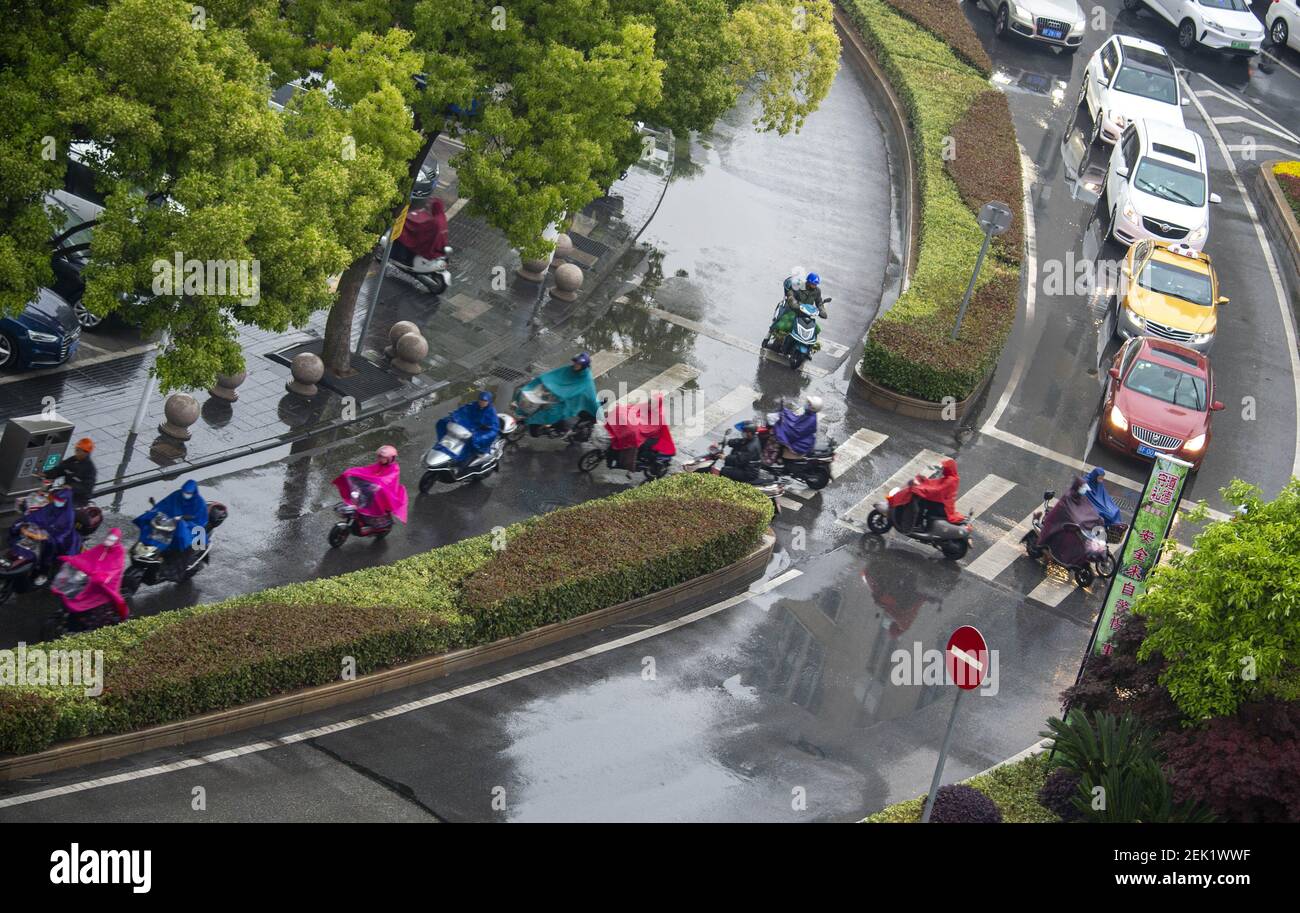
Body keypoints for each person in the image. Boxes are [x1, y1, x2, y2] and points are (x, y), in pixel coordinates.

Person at [53, 527, 128, 629]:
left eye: (113, 539)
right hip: (93, 581)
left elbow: (114, 568)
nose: (110, 540)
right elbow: (87, 558)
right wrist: (71, 560)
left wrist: (103, 576)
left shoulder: (119, 552)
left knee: (96, 611)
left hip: (105, 586)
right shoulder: (101, 547)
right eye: (109, 537)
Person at [516, 352, 603, 437]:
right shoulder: (569, 369)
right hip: (554, 397)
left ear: (583, 367)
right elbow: (553, 376)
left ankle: (546, 428)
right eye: (575, 362)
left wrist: (599, 414)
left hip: (567, 404)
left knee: (549, 413)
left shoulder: (586, 381)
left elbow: (591, 397)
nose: (575, 365)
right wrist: (542, 381)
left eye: (578, 364)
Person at [11, 487, 81, 580]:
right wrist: (25, 521)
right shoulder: (51, 507)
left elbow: (65, 531)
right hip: (40, 533)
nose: (57, 502)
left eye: (60, 500)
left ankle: (43, 571)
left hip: (55, 537)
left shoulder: (68, 515)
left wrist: (51, 536)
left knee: (48, 552)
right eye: (56, 499)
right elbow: (38, 515)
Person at [333, 445, 409, 523]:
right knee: (356, 482)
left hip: (386, 490)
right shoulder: (379, 464)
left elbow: (388, 480)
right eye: (379, 456)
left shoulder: (394, 468)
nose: (379, 459)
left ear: (389, 458)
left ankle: (369, 510)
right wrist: (353, 472)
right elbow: (368, 470)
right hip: (375, 485)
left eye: (382, 457)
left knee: (372, 491)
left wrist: (376, 483)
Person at [888, 458, 966, 532]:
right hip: (943, 504)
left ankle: (917, 523)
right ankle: (918, 523)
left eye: (945, 468)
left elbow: (937, 489)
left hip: (943, 507)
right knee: (923, 501)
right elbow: (934, 483)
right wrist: (923, 481)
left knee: (921, 504)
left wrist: (919, 489)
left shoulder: (950, 480)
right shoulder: (952, 478)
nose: (943, 470)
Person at [135, 479, 209, 552]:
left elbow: (200, 519)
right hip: (171, 520)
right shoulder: (177, 495)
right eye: (184, 492)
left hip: (190, 524)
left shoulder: (199, 503)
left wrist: (185, 519)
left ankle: (181, 551)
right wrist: (155, 510)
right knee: (152, 523)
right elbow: (165, 503)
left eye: (188, 493)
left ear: (194, 492)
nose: (185, 494)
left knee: (182, 532)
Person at [436, 391, 500, 462]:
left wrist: (487, 428)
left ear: (489, 401)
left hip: (481, 430)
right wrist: (454, 415)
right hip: (469, 427)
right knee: (444, 422)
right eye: (480, 400)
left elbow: (494, 428)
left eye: (485, 401)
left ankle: (476, 455)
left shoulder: (491, 412)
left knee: (475, 441)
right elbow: (463, 410)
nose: (482, 402)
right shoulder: (473, 405)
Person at [394, 196, 450, 265]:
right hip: (437, 247)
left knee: (406, 239)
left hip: (428, 247)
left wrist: (409, 224)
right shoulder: (442, 218)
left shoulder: (435, 222)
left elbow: (421, 228)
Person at [42, 438, 97, 506]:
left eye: (78, 450)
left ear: (85, 452)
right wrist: (46, 474)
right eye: (76, 449)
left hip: (78, 499)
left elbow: (87, 487)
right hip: (66, 492)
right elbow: (60, 469)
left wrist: (72, 487)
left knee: (58, 505)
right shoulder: (72, 460)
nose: (76, 452)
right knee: (50, 496)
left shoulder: (90, 469)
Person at [770, 396, 821, 463]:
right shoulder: (809, 414)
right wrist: (785, 411)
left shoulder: (810, 419)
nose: (806, 404)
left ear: (813, 407)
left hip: (800, 445)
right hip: (802, 438)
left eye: (808, 403)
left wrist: (779, 427)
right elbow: (795, 419)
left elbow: (795, 432)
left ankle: (779, 460)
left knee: (779, 440)